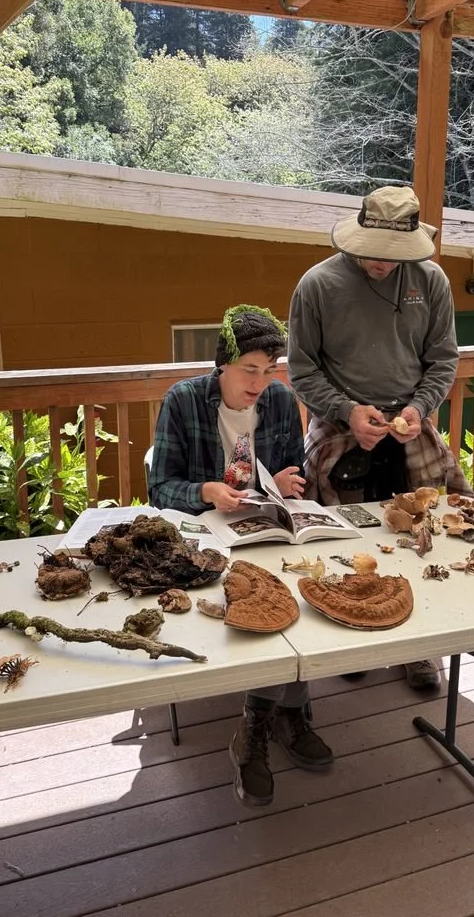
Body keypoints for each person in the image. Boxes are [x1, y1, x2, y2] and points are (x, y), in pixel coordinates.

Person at [288, 185, 472, 692]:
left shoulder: (430, 280)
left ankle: (421, 647)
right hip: (339, 421)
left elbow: (442, 360)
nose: (382, 263)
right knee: (346, 537)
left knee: (424, 532)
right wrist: (348, 411)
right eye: (373, 252)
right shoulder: (318, 285)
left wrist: (417, 408)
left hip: (410, 418)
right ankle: (353, 630)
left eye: (395, 255)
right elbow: (302, 372)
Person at [149, 304, 333, 807]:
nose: (259, 383)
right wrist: (205, 491)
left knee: (299, 596)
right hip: (204, 542)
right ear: (222, 366)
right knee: (261, 608)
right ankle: (264, 723)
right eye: (249, 370)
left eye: (269, 371)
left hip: (265, 531)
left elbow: (289, 469)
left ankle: (280, 716)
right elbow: (159, 487)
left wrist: (293, 482)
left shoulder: (277, 401)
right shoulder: (184, 400)